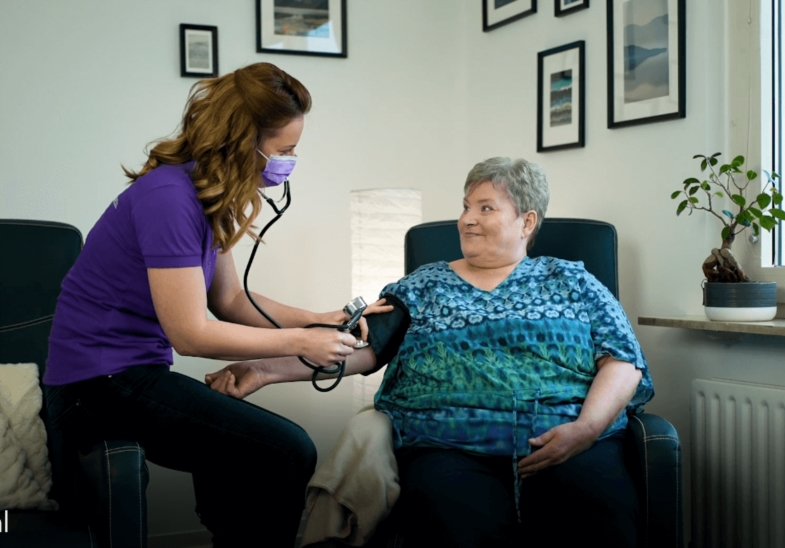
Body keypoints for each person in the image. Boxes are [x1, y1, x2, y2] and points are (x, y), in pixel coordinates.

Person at [206, 157, 655, 548]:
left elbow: (623, 359)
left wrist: (585, 429)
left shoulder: (572, 280)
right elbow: (362, 350)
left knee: (601, 522)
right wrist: (265, 370)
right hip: (449, 446)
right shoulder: (424, 284)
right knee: (453, 526)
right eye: (465, 206)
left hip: (570, 440)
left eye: (485, 208)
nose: (467, 219)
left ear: (527, 222)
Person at [43, 62, 388, 547]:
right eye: (284, 150)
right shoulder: (169, 197)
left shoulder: (206, 193)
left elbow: (230, 300)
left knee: (242, 445)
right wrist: (301, 341)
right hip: (95, 385)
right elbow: (190, 334)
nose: (290, 161)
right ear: (242, 141)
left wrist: (321, 319)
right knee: (289, 450)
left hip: (126, 373)